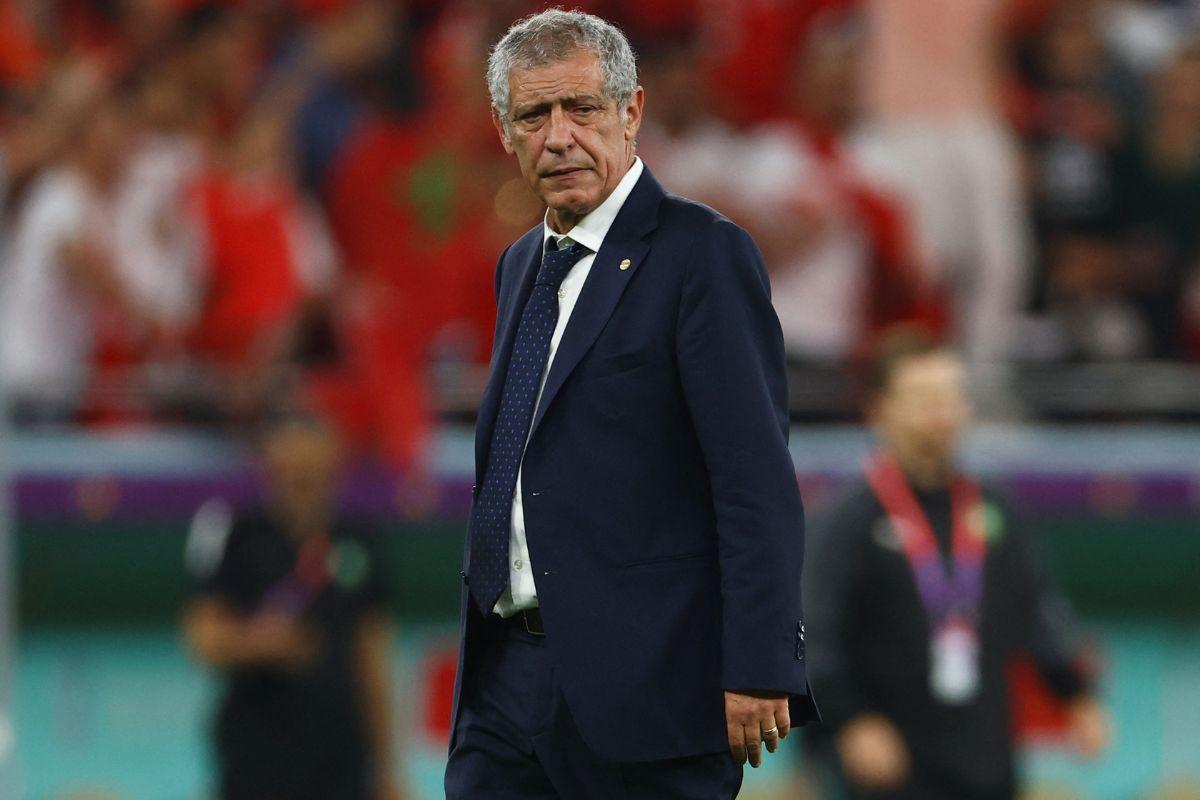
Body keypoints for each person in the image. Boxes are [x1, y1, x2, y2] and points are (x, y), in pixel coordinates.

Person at [444, 9, 818, 799]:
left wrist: (759, 665)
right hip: (505, 682)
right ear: (503, 133)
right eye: (532, 116)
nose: (558, 137)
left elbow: (753, 478)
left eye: (580, 109)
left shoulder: (701, 255)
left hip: (649, 690)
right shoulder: (521, 266)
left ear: (631, 112)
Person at [802, 335, 1110, 799]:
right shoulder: (847, 518)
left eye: (952, 397)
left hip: (985, 756)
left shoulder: (994, 506)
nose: (943, 413)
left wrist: (1075, 694)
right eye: (925, 399)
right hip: (887, 764)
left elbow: (1037, 605)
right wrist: (849, 721)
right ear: (880, 408)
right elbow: (814, 632)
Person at [182, 415, 403, 800]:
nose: (302, 483)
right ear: (269, 468)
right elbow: (202, 637)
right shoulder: (236, 534)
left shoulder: (359, 540)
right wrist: (260, 644)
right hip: (256, 756)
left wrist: (387, 771)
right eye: (292, 473)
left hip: (341, 758)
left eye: (312, 473)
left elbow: (372, 660)